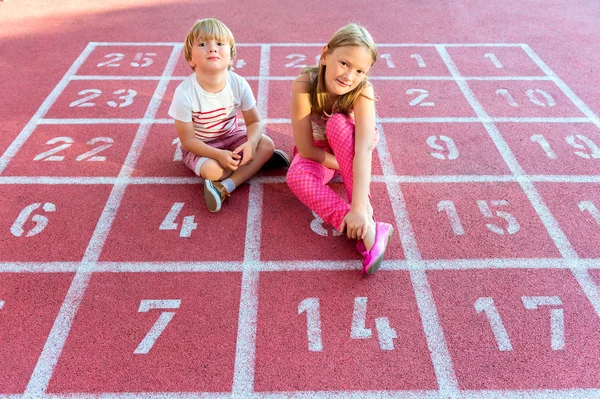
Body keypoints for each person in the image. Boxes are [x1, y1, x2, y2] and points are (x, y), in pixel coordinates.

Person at [286, 23, 394, 274]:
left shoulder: (362, 91)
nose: (349, 76)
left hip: (352, 147)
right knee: (295, 175)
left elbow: (364, 149)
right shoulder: (304, 84)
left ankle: (363, 216)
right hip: (321, 155)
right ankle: (368, 229)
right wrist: (344, 168)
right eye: (344, 63)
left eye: (359, 71)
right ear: (325, 55)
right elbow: (306, 150)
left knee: (337, 123)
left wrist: (359, 205)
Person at [169, 18, 290, 212]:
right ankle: (256, 163)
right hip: (202, 145)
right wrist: (218, 154)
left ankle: (227, 186)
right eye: (202, 44)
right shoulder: (184, 93)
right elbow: (188, 140)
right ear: (191, 59)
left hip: (232, 135)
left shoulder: (238, 83)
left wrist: (250, 144)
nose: (212, 49)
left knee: (266, 143)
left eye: (219, 43)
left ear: (231, 56)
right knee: (213, 170)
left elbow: (255, 122)